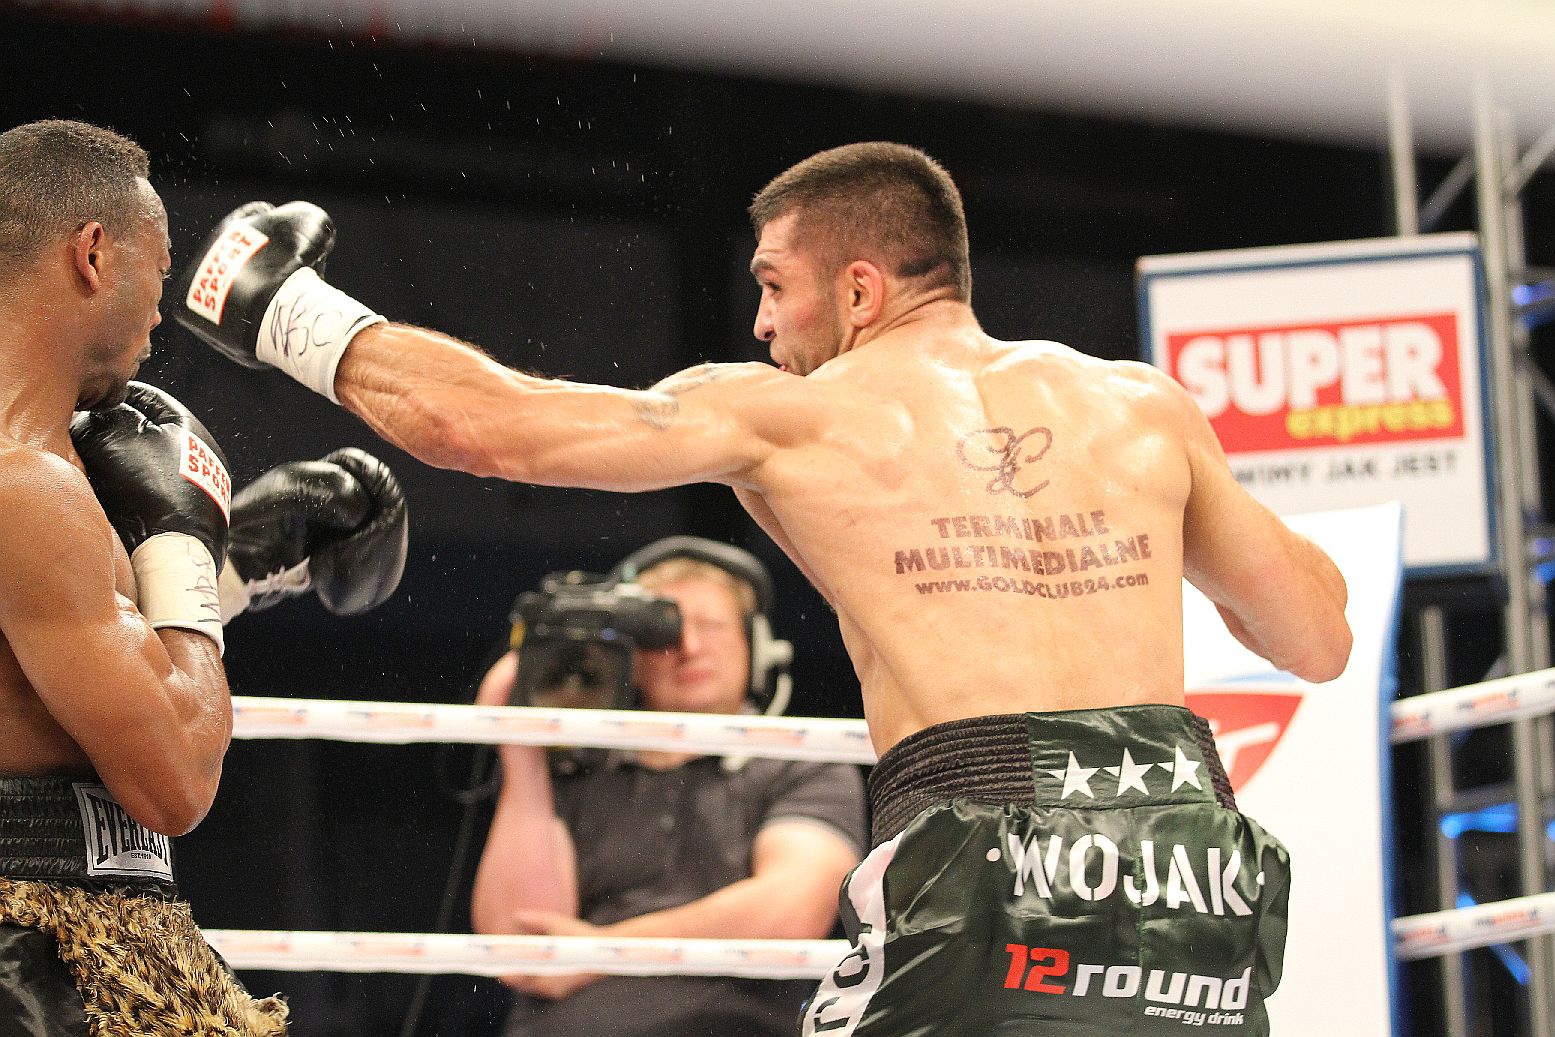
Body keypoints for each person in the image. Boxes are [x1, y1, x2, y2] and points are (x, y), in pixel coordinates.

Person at [173, 141, 1353, 1036]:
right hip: (1190, 852)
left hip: (985, 840)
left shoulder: (794, 414)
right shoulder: (1143, 406)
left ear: (858, 289)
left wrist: (286, 311)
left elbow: (489, 427)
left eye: (775, 285)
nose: (760, 320)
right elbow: (1316, 637)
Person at [0, 119, 408, 1037]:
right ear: (93, 254)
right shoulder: (25, 483)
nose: (159, 313)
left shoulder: (44, 476)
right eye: (159, 267)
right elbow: (177, 778)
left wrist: (232, 562)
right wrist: (182, 547)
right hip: (42, 955)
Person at [470, 536, 865, 1037]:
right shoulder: (578, 764)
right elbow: (519, 941)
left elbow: (791, 908)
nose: (689, 648)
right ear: (628, 657)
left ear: (756, 644)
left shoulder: (802, 760)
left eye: (711, 626)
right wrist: (521, 748)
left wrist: (603, 952)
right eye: (665, 631)